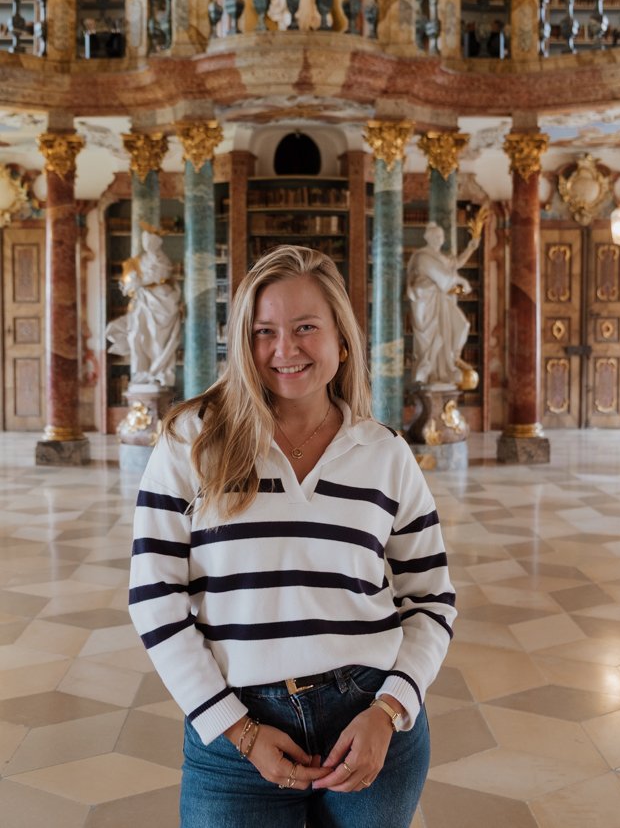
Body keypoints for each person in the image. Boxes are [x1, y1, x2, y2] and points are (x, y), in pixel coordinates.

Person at [129, 244, 456, 828]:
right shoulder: (191, 442)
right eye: (264, 332)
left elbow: (431, 597)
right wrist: (239, 729)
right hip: (235, 731)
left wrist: (390, 709)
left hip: (370, 719)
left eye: (306, 327)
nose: (285, 349)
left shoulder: (385, 453)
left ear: (342, 340)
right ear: (242, 341)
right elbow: (155, 599)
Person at [106, 228, 181, 387]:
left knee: (157, 340)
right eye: (145, 241)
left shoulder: (162, 259)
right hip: (142, 302)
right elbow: (128, 286)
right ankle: (141, 371)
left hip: (160, 301)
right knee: (136, 336)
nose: (147, 244)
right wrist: (132, 283)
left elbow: (162, 276)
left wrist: (141, 281)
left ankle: (158, 371)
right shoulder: (138, 261)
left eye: (150, 241)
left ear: (157, 242)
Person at [406, 222, 479, 387]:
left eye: (441, 236)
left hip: (441, 302)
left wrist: (470, 248)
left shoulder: (439, 257)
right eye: (437, 236)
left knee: (462, 325)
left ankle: (452, 360)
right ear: (428, 237)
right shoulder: (422, 257)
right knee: (432, 342)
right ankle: (432, 373)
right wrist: (462, 281)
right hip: (427, 305)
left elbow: (455, 264)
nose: (440, 239)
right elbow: (444, 276)